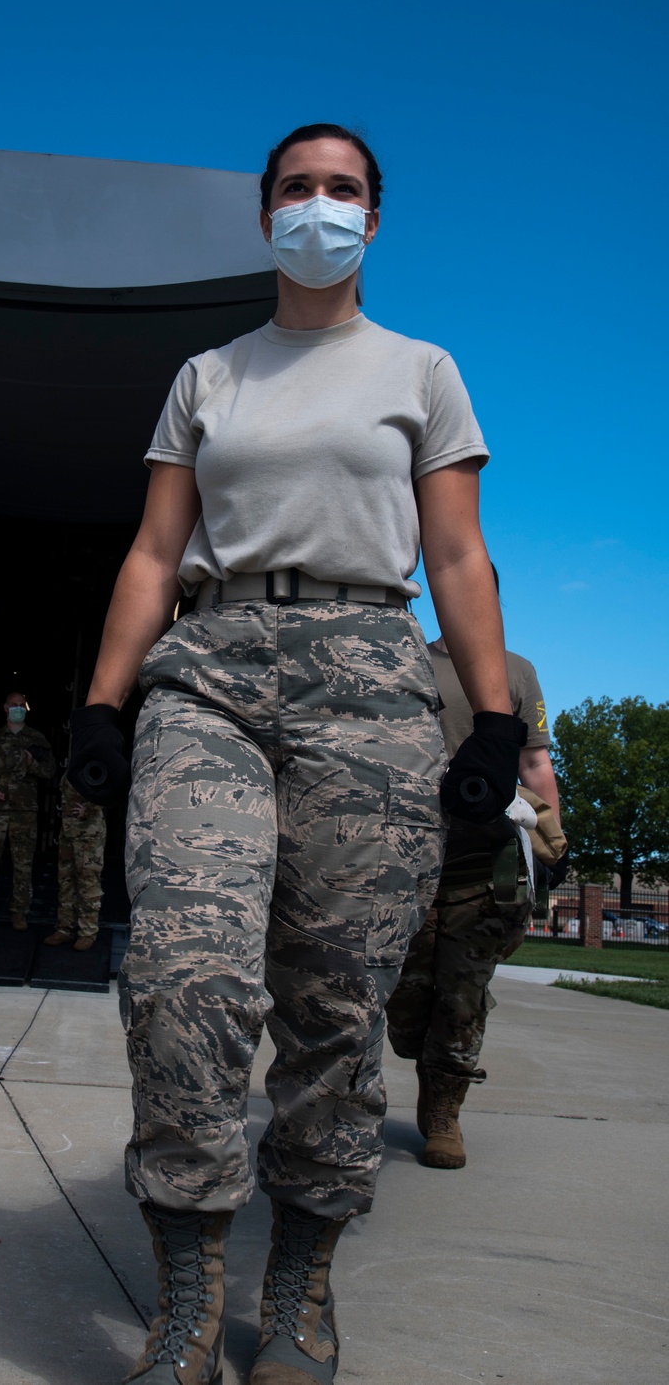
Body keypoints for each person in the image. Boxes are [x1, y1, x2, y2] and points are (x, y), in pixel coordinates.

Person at [67, 123, 524, 1385]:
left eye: (343, 189)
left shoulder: (419, 369)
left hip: (368, 673)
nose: (317, 205)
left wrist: (492, 719)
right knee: (181, 973)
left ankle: (303, 1287)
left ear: (373, 219)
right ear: (260, 209)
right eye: (296, 187)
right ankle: (187, 1297)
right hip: (209, 670)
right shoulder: (207, 375)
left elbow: (456, 558)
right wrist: (103, 706)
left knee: (335, 1001)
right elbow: (156, 553)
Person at [386, 615, 563, 1170]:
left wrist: (554, 838)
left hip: (481, 866)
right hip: (402, 858)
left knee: (462, 998)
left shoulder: (516, 673)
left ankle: (443, 1111)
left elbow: (533, 760)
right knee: (404, 1001)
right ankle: (418, 1059)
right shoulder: (404, 659)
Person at [0, 692, 56, 930]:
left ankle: (19, 912)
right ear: (5, 708)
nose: (18, 709)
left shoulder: (37, 739)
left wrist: (32, 764)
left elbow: (50, 771)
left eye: (22, 706)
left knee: (23, 864)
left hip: (24, 812)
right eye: (14, 705)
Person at [44, 773, 107, 951]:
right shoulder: (75, 764)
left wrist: (89, 807)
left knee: (88, 881)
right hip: (68, 832)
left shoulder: (98, 762)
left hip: (89, 834)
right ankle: (64, 929)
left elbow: (111, 789)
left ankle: (87, 932)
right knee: (66, 881)